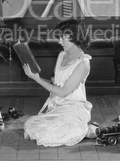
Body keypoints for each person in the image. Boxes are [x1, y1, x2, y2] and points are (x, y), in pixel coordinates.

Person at [23, 18, 94, 147]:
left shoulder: (83, 64)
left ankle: (86, 128)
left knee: (48, 134)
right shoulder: (62, 54)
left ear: (75, 38)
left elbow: (63, 92)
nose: (59, 41)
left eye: (62, 38)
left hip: (73, 108)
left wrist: (37, 79)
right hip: (57, 106)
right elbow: (54, 84)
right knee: (32, 126)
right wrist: (35, 76)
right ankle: (83, 129)